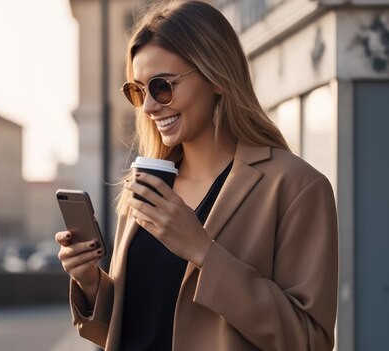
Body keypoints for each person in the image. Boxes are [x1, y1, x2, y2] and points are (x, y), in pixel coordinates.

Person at [55, 1, 339, 350]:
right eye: (138, 90)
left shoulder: (295, 186)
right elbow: (133, 327)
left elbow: (309, 340)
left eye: (162, 86)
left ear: (216, 77)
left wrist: (203, 251)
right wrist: (89, 283)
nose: (148, 107)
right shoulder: (143, 188)